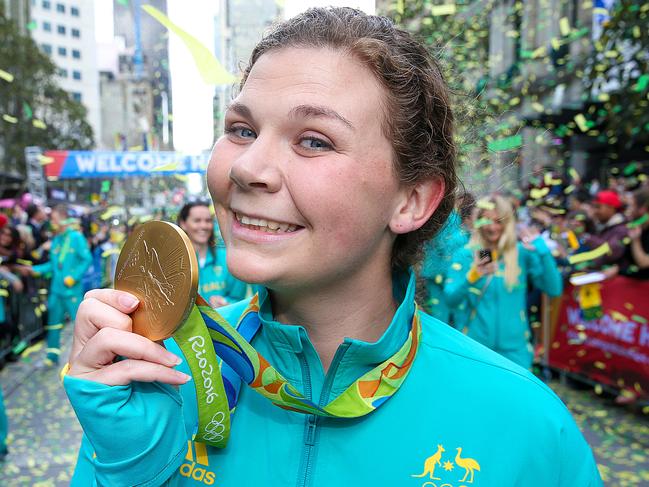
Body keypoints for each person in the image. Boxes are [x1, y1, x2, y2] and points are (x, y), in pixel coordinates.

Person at [63, 8, 601, 486]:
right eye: (243, 130)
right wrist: (125, 472)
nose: (247, 168)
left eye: (313, 141)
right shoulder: (151, 371)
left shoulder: (527, 426)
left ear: (412, 201)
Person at [444, 195, 563, 369]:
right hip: (475, 350)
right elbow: (450, 299)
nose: (492, 228)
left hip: (515, 352)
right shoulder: (466, 254)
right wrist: (472, 277)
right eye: (486, 220)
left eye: (498, 221)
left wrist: (543, 253)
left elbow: (554, 290)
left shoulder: (521, 253)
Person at [19, 205, 92, 366]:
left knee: (81, 325)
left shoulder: (76, 238)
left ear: (63, 219)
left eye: (53, 219)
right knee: (53, 324)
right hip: (56, 291)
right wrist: (33, 270)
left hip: (72, 291)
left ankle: (89, 358)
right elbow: (52, 266)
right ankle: (52, 356)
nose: (50, 222)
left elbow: (86, 259)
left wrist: (74, 277)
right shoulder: (56, 240)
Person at [177, 201, 249, 307]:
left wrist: (226, 303)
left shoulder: (228, 259)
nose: (204, 226)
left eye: (208, 220)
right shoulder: (174, 264)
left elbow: (240, 302)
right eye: (197, 221)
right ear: (183, 224)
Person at [582, 190, 628, 268]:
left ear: (611, 207)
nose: (595, 211)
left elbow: (610, 252)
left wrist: (587, 237)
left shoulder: (621, 229)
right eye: (594, 207)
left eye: (598, 207)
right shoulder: (600, 225)